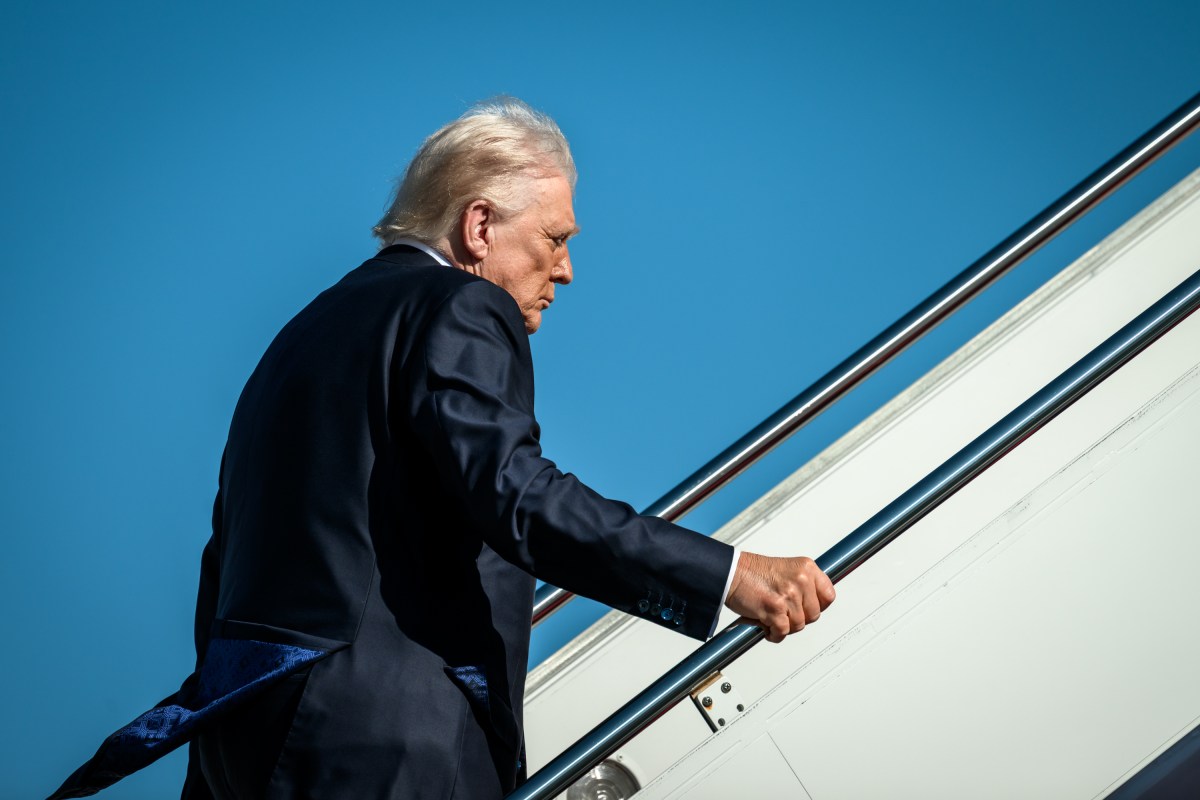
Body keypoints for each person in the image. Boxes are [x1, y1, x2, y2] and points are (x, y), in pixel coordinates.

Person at [50, 97, 834, 800]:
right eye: (554, 238)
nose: (565, 268)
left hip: (246, 734)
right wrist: (725, 574)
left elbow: (226, 557)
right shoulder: (463, 306)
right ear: (480, 225)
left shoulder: (298, 339)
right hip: (390, 739)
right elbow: (515, 492)